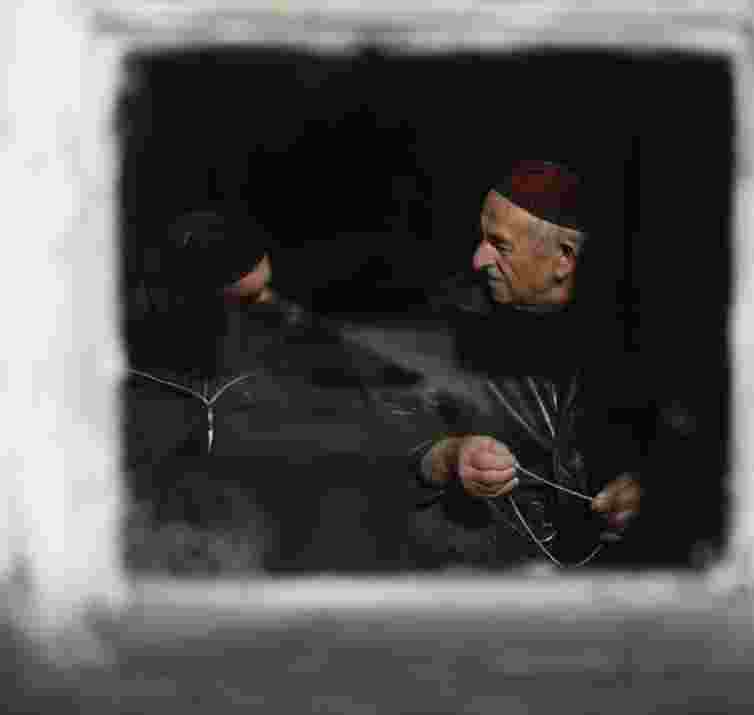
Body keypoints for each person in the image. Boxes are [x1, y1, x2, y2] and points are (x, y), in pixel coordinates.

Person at [122, 207, 421, 573]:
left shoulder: (291, 335)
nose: (273, 304)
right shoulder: (136, 371)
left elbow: (349, 364)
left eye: (268, 288)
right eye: (249, 299)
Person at [407, 160, 645, 570]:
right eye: (482, 240)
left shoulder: (639, 342)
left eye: (499, 245)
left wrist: (643, 498)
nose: (478, 260)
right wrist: (448, 456)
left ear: (564, 259)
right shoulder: (453, 329)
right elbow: (382, 441)